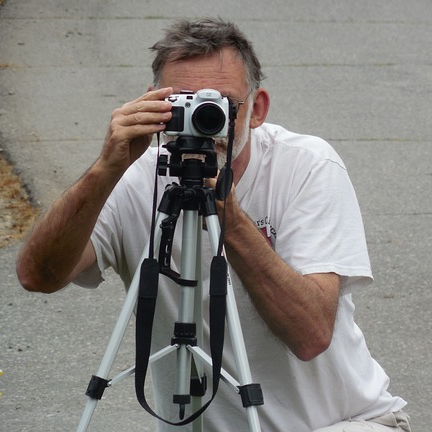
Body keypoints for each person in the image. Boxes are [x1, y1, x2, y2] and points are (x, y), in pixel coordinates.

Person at [17, 18, 411, 432]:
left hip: (339, 424)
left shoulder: (306, 165)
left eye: (219, 105)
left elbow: (310, 334)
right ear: (153, 105)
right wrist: (105, 168)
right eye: (184, 104)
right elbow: (37, 276)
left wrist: (231, 218)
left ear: (256, 109)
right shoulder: (135, 177)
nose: (205, 123)